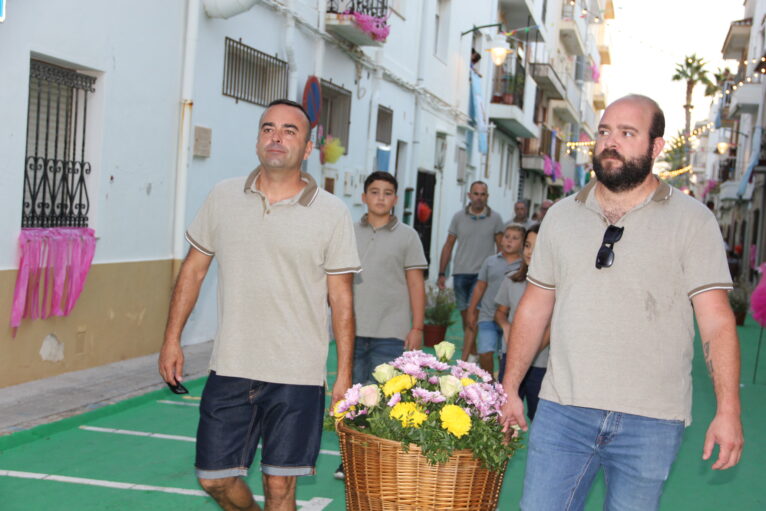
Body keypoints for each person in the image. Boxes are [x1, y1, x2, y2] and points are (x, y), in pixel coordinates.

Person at [500, 94, 743, 510]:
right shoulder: (560, 216)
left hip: (652, 419)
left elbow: (717, 322)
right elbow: (535, 307)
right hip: (563, 410)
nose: (611, 142)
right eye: (605, 132)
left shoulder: (693, 220)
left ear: (656, 146)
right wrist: (509, 386)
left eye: (627, 133)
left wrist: (728, 410)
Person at [158, 99, 361, 511]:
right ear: (257, 140)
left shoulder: (332, 213)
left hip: (297, 373)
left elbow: (341, 300)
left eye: (290, 131)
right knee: (213, 478)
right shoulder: (222, 196)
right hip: (231, 364)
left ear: (307, 149)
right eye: (269, 128)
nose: (277, 137)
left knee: (281, 488)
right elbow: (193, 272)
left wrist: (343, 375)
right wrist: (171, 340)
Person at [334, 171, 427, 480]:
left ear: (395, 199)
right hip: (352, 330)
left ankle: (381, 459)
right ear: (363, 197)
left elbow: (416, 284)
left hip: (391, 330)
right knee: (354, 396)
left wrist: (417, 327)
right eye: (374, 192)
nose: (381, 197)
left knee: (385, 397)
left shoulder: (408, 236)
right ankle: (350, 460)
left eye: (387, 193)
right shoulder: (347, 232)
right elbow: (336, 279)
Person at [437, 181, 505, 360]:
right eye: (476, 193)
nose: (479, 198)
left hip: (482, 276)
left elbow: (501, 248)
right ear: (469, 195)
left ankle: (465, 358)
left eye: (483, 194)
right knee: (465, 315)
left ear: (487, 197)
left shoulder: (496, 219)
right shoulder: (458, 217)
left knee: (473, 314)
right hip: (460, 273)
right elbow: (449, 244)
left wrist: (501, 274)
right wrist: (441, 272)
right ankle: (473, 351)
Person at [494, 223, 548, 420]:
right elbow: (500, 312)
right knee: (502, 416)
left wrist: (528, 351)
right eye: (527, 245)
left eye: (537, 246)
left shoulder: (556, 288)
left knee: (540, 419)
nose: (530, 252)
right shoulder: (511, 280)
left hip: (540, 365)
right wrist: (506, 326)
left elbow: (550, 328)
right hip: (510, 359)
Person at [465, 223, 524, 375]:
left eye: (515, 238)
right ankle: (489, 383)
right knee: (485, 352)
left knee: (506, 356)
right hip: (487, 316)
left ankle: (502, 385)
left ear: (523, 243)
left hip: (512, 319)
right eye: (507, 237)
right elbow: (480, 287)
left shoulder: (524, 265)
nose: (509, 241)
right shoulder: (490, 262)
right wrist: (471, 310)